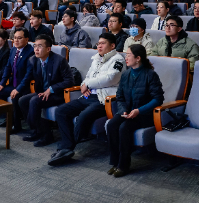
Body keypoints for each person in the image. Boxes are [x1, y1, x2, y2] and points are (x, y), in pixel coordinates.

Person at [48, 32, 124, 166]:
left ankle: (67, 148)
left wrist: (88, 84)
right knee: (61, 111)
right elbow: (88, 76)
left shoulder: (118, 59)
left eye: (103, 43)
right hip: (88, 95)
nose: (99, 46)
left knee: (83, 116)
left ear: (112, 46)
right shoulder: (96, 58)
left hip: (103, 99)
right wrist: (85, 84)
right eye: (98, 43)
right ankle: (66, 147)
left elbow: (111, 78)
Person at [106, 45, 164, 177]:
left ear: (138, 58)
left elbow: (158, 99)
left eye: (128, 55)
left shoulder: (150, 75)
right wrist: (123, 110)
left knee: (124, 128)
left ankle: (123, 165)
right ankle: (115, 162)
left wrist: (139, 110)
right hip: (128, 112)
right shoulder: (126, 74)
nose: (125, 58)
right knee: (111, 125)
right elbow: (120, 96)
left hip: (144, 114)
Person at [12, 35, 74, 147]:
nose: (36, 49)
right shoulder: (33, 60)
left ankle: (47, 135)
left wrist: (51, 89)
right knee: (22, 100)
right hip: (41, 92)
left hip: (58, 94)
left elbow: (69, 81)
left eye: (40, 46)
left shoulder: (59, 61)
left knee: (35, 101)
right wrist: (18, 89)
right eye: (35, 46)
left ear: (48, 49)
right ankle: (37, 130)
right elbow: (27, 77)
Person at [0, 28, 34, 133]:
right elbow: (8, 68)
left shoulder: (31, 52)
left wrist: (18, 89)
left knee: (15, 96)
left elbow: (29, 75)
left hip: (25, 86)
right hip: (14, 84)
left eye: (19, 38)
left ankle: (17, 124)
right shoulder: (13, 50)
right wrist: (2, 83)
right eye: (15, 38)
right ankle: (7, 119)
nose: (16, 40)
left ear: (26, 39)